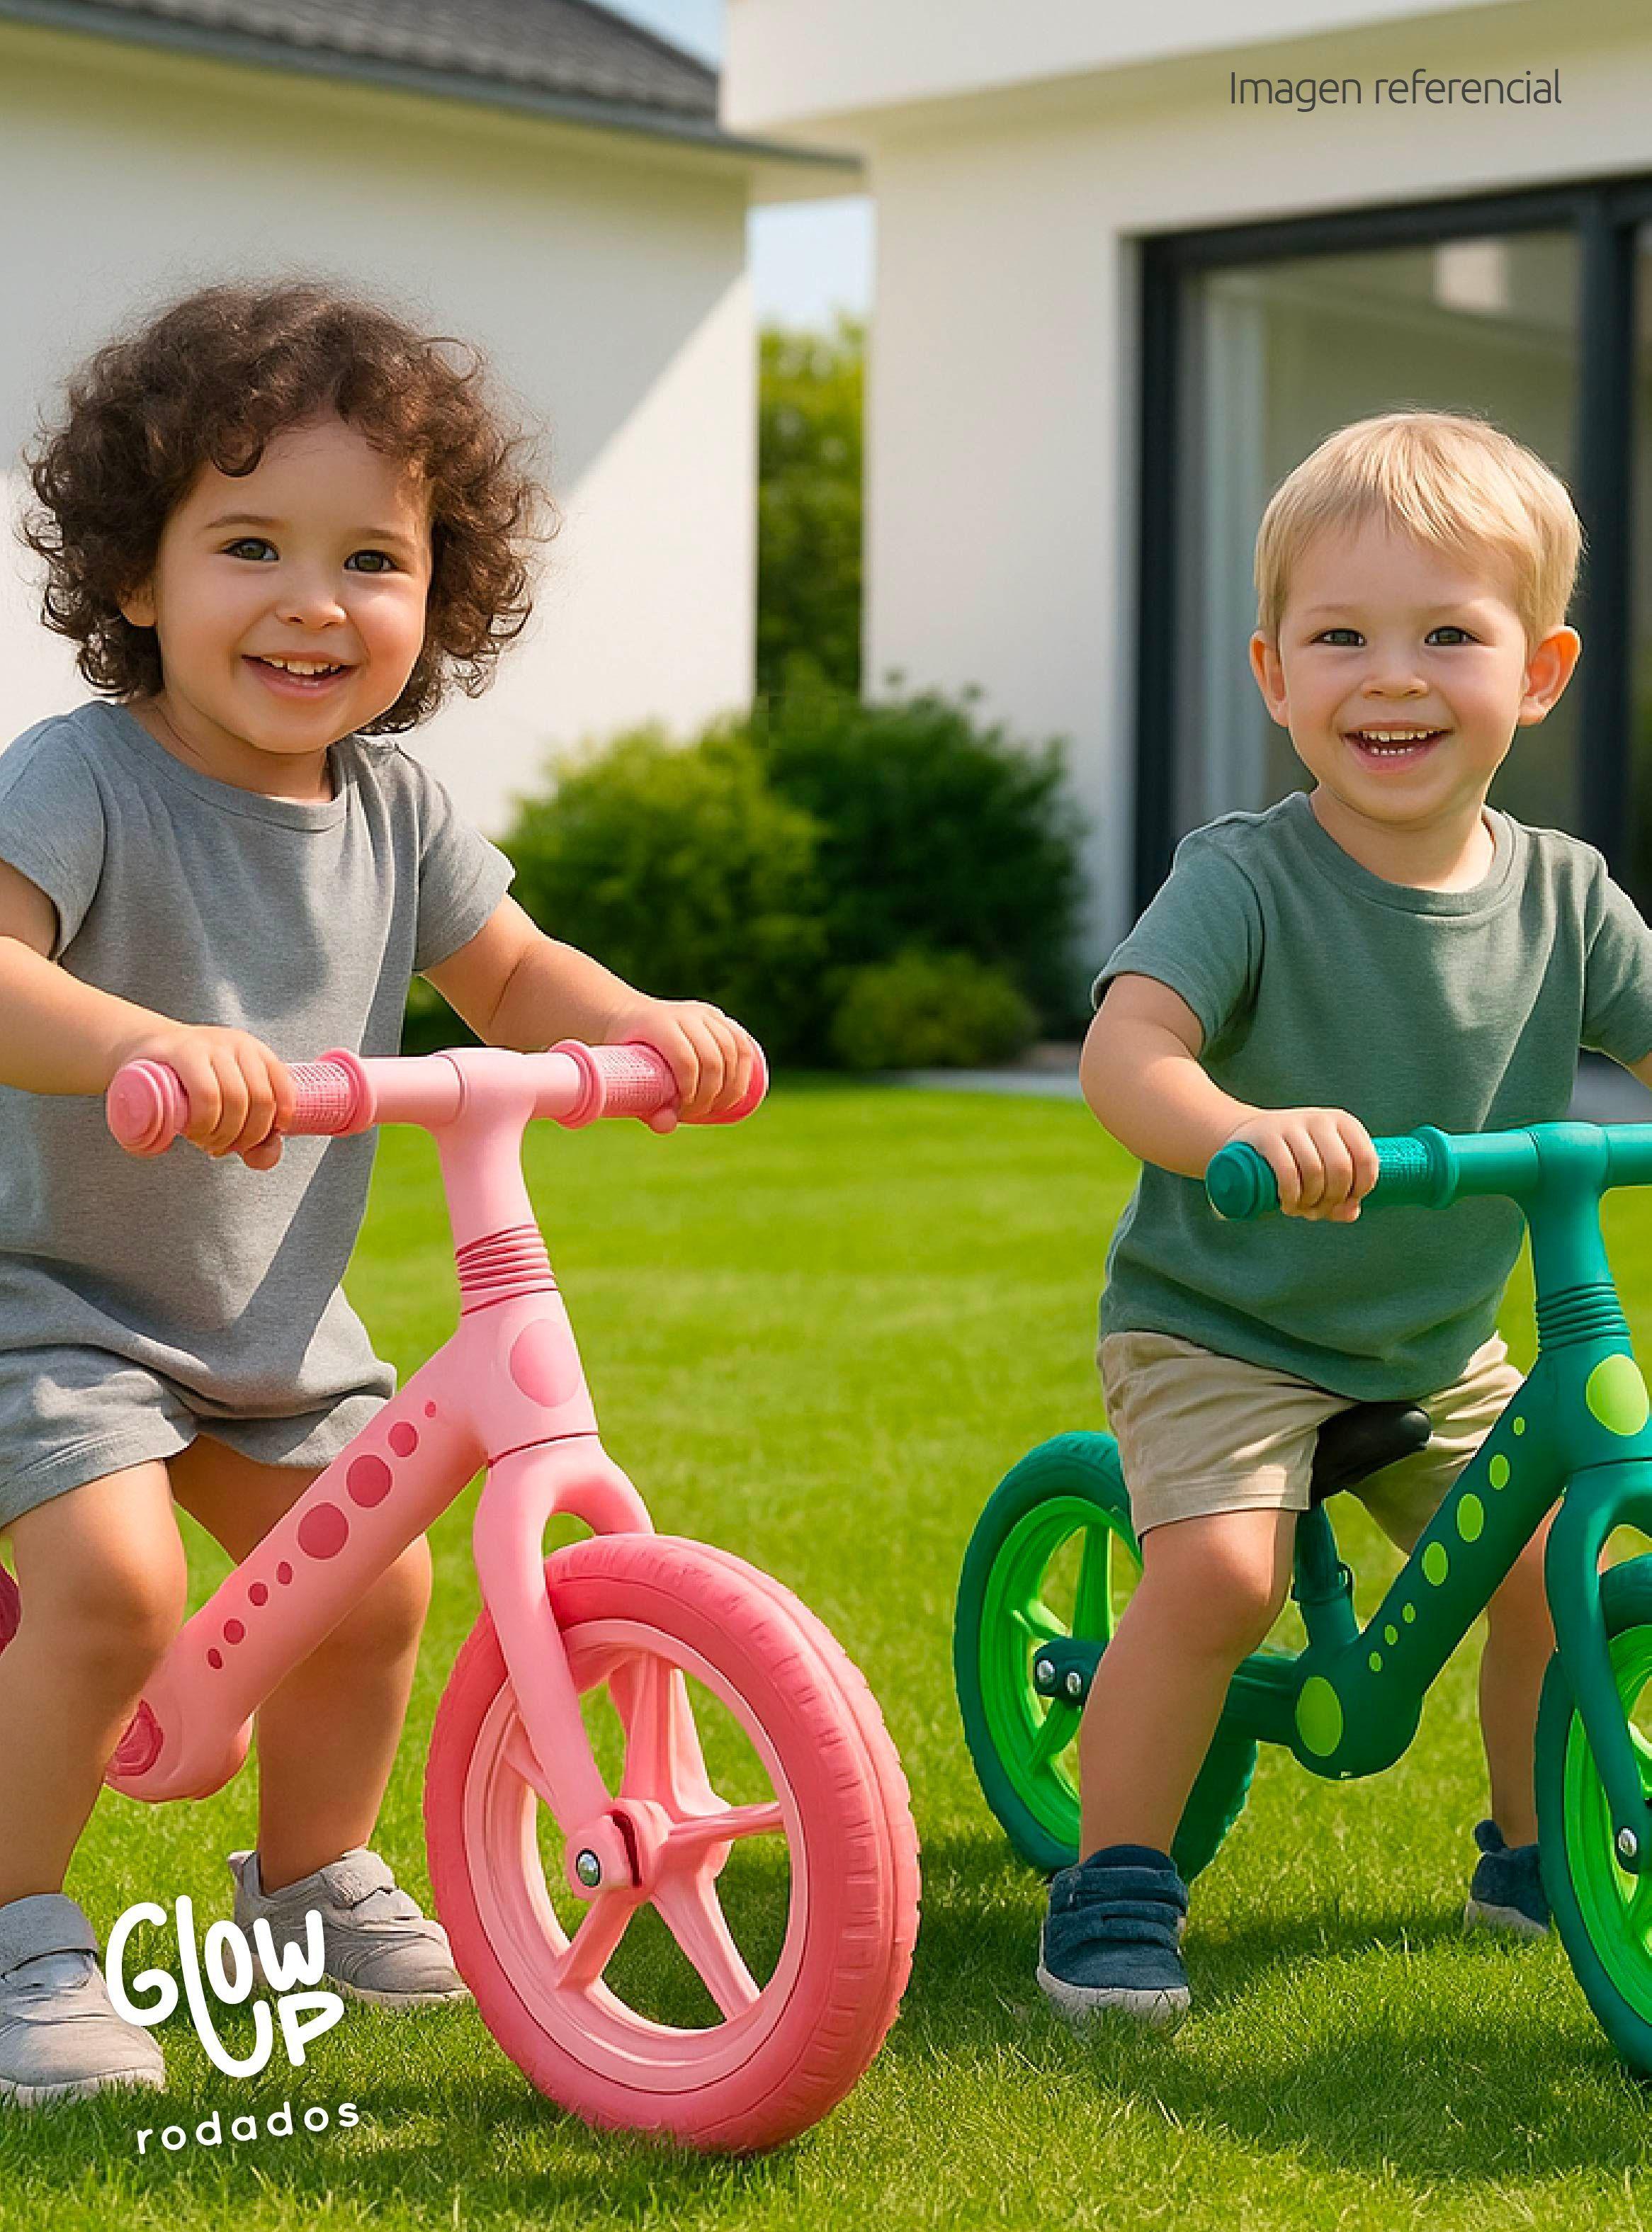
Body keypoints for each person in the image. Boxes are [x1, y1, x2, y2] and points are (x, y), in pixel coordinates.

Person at [0, 281, 760, 2104]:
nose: (312, 603)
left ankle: (304, 1886)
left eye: (373, 560)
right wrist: (136, 1046)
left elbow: (514, 976)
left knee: (377, 1588)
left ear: (439, 599)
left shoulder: (398, 811)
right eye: (247, 543)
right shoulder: (86, 779)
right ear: (135, 577)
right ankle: (22, 1919)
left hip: (265, 1309)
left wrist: (639, 1023)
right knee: (106, 1588)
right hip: (59, 1295)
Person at [1037, 409, 1652, 2027]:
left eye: (1446, 634)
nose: (1390, 676)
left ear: (1535, 672)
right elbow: (1129, 1046)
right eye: (1341, 637)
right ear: (1271, 676)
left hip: (1434, 1338)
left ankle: (1531, 1850)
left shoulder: (1563, 893)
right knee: (1225, 1585)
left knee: (1550, 1563)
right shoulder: (1242, 876)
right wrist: (1234, 1126)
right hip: (1225, 1327)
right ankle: (1110, 1882)